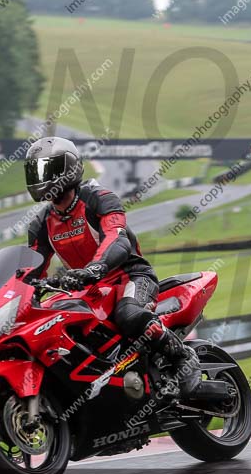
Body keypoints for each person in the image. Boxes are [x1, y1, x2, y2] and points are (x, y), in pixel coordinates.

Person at [23, 136, 204, 397]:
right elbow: (31, 267)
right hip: (86, 290)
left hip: (129, 276)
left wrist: (95, 268)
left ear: (67, 169)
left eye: (47, 170)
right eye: (36, 171)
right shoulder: (41, 223)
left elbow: (116, 238)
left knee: (129, 315)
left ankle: (182, 356)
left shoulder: (99, 198)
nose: (41, 178)